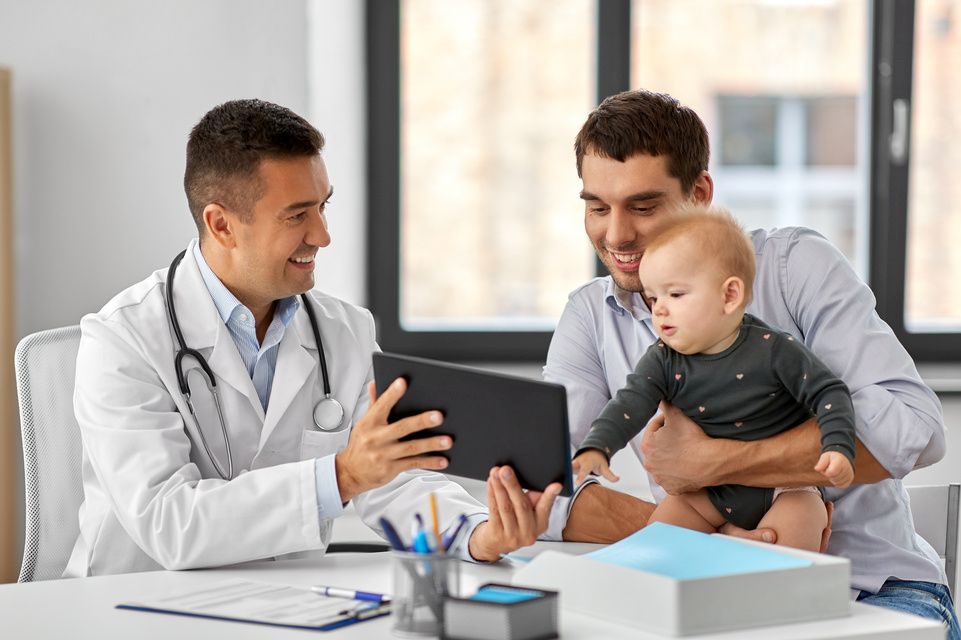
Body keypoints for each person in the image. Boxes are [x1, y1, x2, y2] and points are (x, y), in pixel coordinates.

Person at [65, 99, 560, 577]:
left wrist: (478, 534)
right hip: (135, 604)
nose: (322, 235)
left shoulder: (343, 332)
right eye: (297, 215)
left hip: (285, 598)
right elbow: (170, 525)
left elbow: (394, 478)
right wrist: (342, 475)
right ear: (221, 224)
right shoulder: (122, 340)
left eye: (324, 206)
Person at [544, 89, 958, 634]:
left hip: (877, 593)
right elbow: (546, 487)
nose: (616, 235)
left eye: (643, 207)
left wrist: (712, 464)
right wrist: (707, 538)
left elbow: (914, 429)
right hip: (702, 590)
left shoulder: (792, 270)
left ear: (700, 193)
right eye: (597, 208)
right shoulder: (591, 317)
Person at [572, 206, 855, 551]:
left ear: (729, 295)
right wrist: (597, 446)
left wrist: (838, 446)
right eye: (654, 296)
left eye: (675, 294)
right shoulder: (663, 358)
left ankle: (782, 596)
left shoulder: (773, 348)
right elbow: (629, 403)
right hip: (705, 494)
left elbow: (829, 392)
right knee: (654, 545)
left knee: (791, 546)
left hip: (784, 489)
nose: (658, 309)